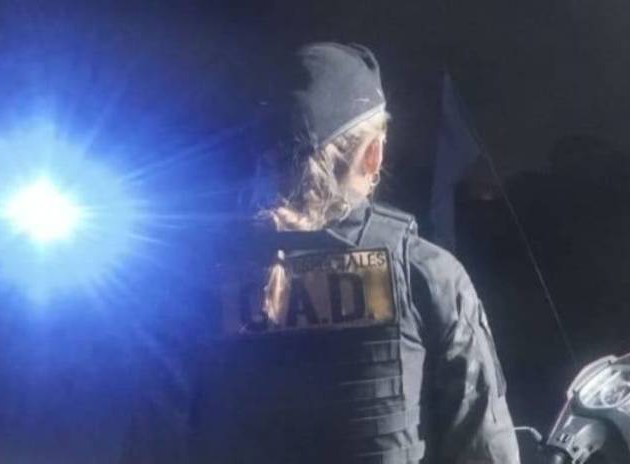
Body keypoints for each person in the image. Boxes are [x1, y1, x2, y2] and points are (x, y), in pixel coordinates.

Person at [186, 42, 521, 464]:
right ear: (374, 154)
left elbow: (152, 437)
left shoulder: (198, 284)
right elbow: (485, 450)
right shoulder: (425, 274)